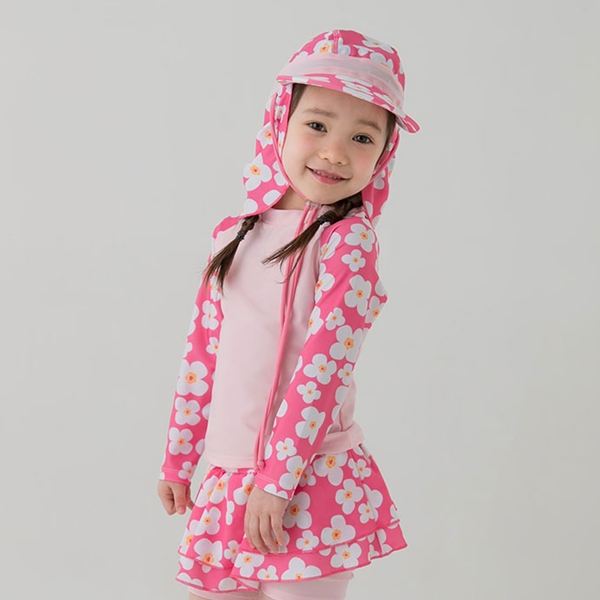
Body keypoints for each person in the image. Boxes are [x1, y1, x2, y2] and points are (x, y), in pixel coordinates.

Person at [157, 28, 420, 600]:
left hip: (309, 480)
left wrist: (277, 484)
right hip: (228, 482)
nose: (335, 152)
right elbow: (202, 356)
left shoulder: (347, 242)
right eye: (318, 125)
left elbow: (323, 369)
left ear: (384, 155)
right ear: (281, 120)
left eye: (362, 137)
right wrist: (180, 458)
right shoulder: (233, 236)